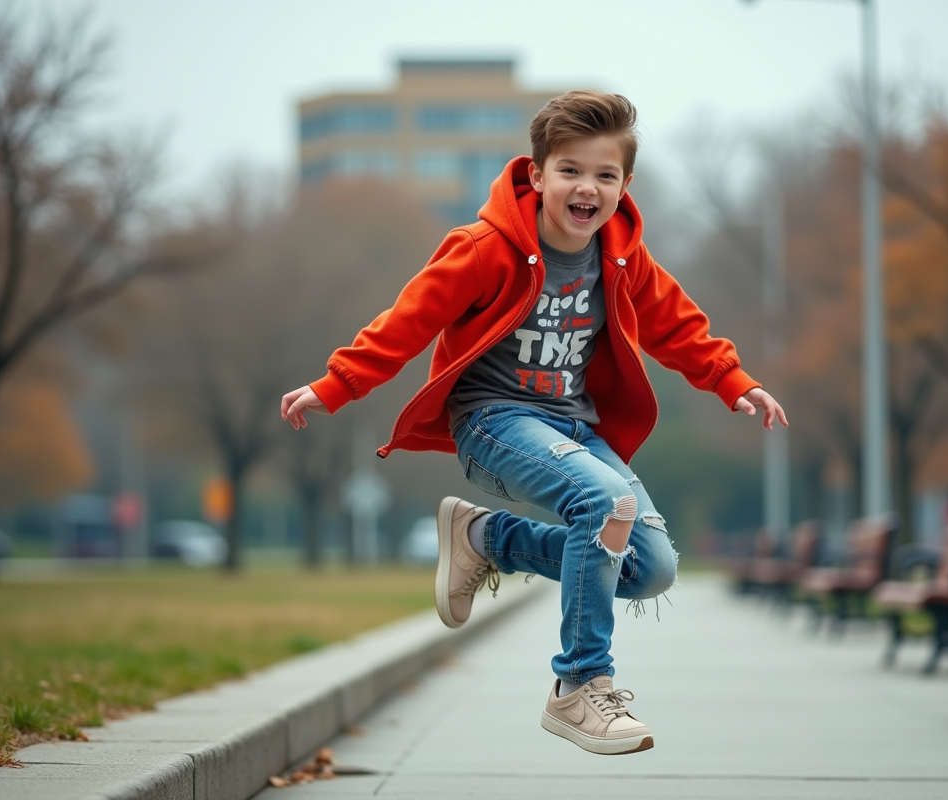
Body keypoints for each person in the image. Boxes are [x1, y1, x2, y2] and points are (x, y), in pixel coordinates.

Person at [281, 90, 787, 756]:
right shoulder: (485, 248)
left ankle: (488, 537)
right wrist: (338, 383)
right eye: (571, 170)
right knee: (606, 501)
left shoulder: (623, 256)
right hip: (494, 422)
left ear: (624, 185)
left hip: (575, 429)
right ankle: (580, 685)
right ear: (538, 173)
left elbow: (678, 326)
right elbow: (409, 320)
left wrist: (732, 379)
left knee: (652, 568)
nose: (587, 188)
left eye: (605, 176)